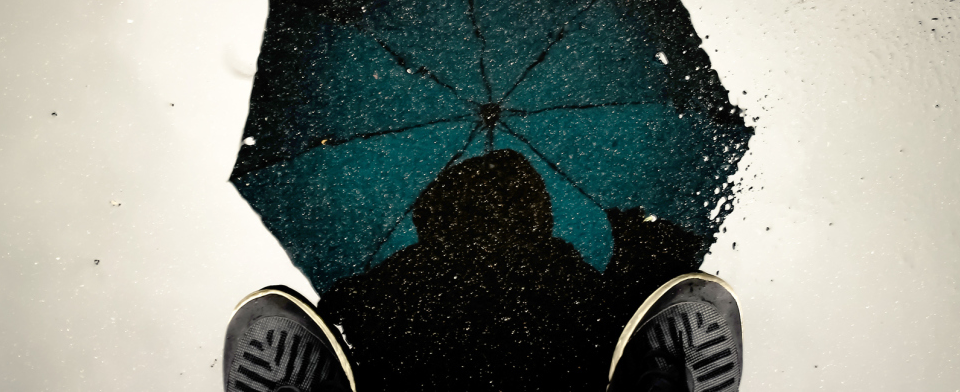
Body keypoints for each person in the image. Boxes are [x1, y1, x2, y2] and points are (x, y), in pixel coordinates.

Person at [221, 150, 743, 392]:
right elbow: (625, 309)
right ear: (539, 214)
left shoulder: (391, 279)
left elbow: (343, 316)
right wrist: (643, 248)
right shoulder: (559, 266)